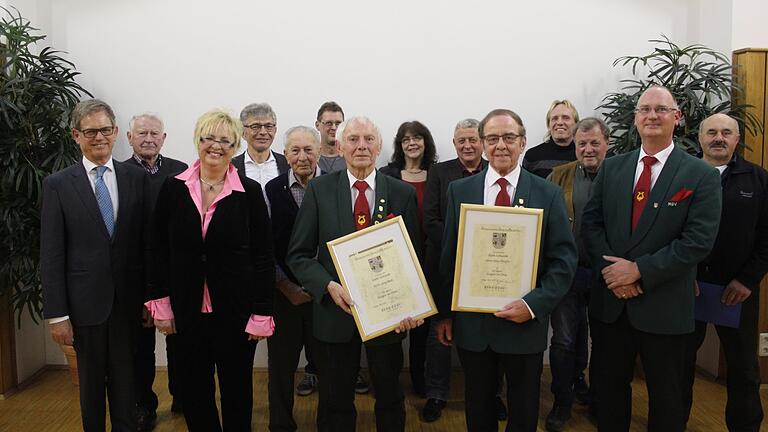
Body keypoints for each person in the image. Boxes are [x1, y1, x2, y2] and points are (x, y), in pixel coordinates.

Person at [581, 85, 722, 431]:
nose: (652, 116)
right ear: (635, 119)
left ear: (677, 117)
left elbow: (697, 241)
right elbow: (591, 224)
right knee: (609, 395)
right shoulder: (612, 168)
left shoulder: (700, 175)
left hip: (664, 305)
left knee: (667, 398)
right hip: (612, 305)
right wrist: (615, 275)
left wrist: (639, 272)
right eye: (645, 109)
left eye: (661, 109)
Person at [436, 109, 577, 432]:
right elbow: (449, 258)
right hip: (474, 325)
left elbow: (563, 261)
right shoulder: (461, 191)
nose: (501, 145)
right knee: (478, 404)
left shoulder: (548, 193)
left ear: (523, 142)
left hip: (524, 324)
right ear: (483, 144)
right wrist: (445, 314)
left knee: (524, 407)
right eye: (493, 138)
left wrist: (533, 305)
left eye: (509, 138)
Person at [287, 116, 424, 431]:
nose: (361, 145)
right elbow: (298, 255)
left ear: (378, 147)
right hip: (335, 314)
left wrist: (412, 307)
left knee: (390, 395)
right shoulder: (320, 190)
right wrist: (327, 285)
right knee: (335, 400)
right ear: (338, 145)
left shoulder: (401, 193)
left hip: (389, 316)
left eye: (368, 139)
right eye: (353, 139)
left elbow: (413, 257)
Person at [145, 109, 275, 431]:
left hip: (235, 312)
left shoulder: (249, 192)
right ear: (197, 141)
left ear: (234, 145)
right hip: (186, 313)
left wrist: (262, 312)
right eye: (209, 138)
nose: (215, 146)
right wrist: (160, 303)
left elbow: (262, 257)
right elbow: (157, 249)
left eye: (225, 140)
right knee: (194, 393)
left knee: (237, 393)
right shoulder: (173, 189)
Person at [41, 98, 150, 431]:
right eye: (90, 131)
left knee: (127, 382)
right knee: (90, 388)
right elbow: (52, 253)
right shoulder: (58, 185)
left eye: (105, 129)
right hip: (84, 307)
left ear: (116, 132)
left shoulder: (136, 178)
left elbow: (146, 246)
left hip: (128, 304)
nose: (99, 137)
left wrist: (151, 298)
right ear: (76, 135)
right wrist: (57, 314)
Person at [681, 113, 768, 432]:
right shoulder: (682, 174)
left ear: (736, 138)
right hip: (688, 287)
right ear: (700, 138)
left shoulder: (757, 179)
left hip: (737, 290)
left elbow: (766, 235)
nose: (719, 138)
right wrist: (681, 274)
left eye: (727, 132)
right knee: (679, 365)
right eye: (712, 132)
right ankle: (674, 422)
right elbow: (666, 231)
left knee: (744, 368)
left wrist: (748, 279)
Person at [544, 117, 610, 431]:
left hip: (607, 275)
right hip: (566, 273)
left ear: (606, 144)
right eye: (581, 143)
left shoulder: (621, 175)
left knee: (605, 342)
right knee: (564, 341)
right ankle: (562, 400)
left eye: (594, 142)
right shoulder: (559, 175)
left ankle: (596, 398)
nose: (587, 149)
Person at [421, 118, 489, 422]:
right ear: (454, 143)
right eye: (461, 140)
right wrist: (461, 246)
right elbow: (430, 220)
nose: (467, 145)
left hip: (487, 268)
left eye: (473, 139)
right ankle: (436, 394)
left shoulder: (494, 169)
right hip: (445, 265)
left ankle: (494, 395)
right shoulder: (439, 172)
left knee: (490, 332)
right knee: (440, 335)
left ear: (483, 141)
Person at [123, 113, 188, 430]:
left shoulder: (181, 171)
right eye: (142, 133)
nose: (148, 138)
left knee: (180, 342)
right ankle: (143, 405)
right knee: (140, 348)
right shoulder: (120, 174)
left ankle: (183, 397)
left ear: (164, 138)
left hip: (173, 271)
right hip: (134, 275)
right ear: (129, 136)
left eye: (154, 133)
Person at [265, 126, 324, 431]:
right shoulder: (270, 191)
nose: (303, 157)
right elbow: (265, 248)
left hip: (326, 298)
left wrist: (322, 287)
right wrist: (286, 287)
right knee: (280, 372)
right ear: (285, 154)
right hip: (284, 297)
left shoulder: (333, 187)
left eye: (308, 150)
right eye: (295, 151)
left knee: (330, 370)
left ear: (319, 151)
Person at [379, 120, 438, 397]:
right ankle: (387, 383)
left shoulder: (437, 174)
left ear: (426, 143)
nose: (412, 143)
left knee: (421, 325)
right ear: (399, 145)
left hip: (429, 257)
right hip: (395, 259)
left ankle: (419, 379)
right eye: (406, 140)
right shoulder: (387, 174)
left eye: (417, 138)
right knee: (392, 321)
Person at [233, 102, 289, 187]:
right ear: (242, 132)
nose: (263, 132)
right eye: (255, 126)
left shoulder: (288, 164)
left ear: (275, 130)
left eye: (268, 126)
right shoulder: (231, 167)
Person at [522, 100, 579, 178]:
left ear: (576, 124)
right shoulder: (532, 156)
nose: (559, 122)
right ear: (548, 125)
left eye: (566, 118)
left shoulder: (584, 154)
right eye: (555, 118)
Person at [315, 101, 347, 173]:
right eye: (329, 123)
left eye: (338, 123)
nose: (334, 128)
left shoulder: (351, 158)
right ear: (317, 125)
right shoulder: (310, 158)